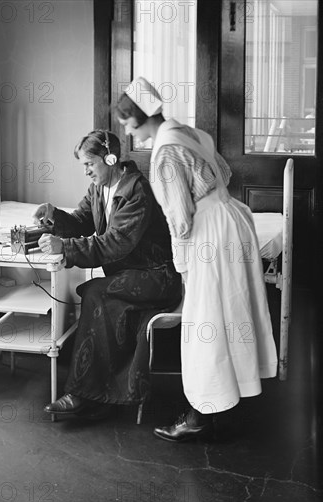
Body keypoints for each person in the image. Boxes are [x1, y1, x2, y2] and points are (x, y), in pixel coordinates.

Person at [115, 77, 278, 441]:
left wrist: (183, 265)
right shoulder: (190, 133)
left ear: (141, 117)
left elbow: (179, 216)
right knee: (230, 311)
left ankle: (202, 414)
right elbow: (225, 172)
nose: (127, 132)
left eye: (128, 122)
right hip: (232, 219)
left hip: (210, 233)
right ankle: (230, 395)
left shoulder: (165, 152)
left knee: (204, 319)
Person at [33, 129, 182, 419]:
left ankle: (82, 392)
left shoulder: (136, 190)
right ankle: (95, 386)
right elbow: (81, 221)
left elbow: (114, 243)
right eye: (84, 166)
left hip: (156, 275)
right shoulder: (99, 188)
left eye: (90, 164)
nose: (87, 171)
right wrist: (53, 216)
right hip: (131, 273)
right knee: (95, 293)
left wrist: (64, 247)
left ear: (110, 158)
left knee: (95, 292)